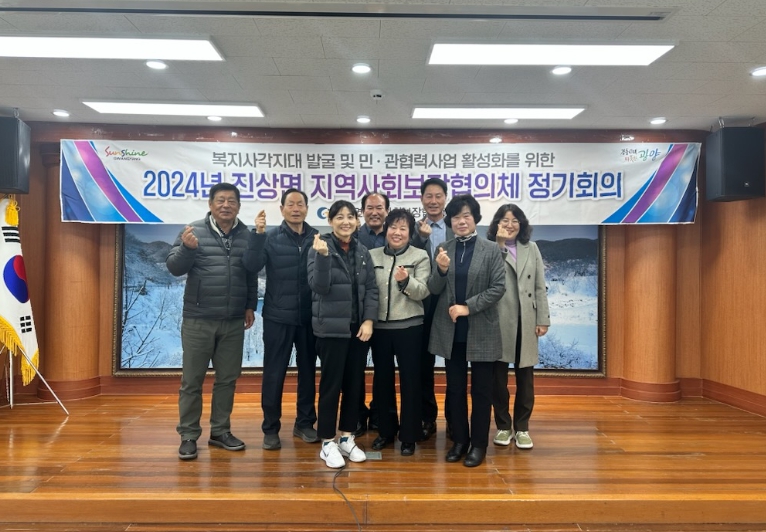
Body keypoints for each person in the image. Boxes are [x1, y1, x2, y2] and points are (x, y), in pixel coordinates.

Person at [166, 182, 258, 461]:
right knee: (192, 381)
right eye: (220, 200)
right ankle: (188, 435)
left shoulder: (246, 235)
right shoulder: (192, 231)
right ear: (210, 204)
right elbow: (174, 267)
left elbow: (251, 273)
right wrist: (187, 249)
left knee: (227, 379)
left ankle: (220, 431)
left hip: (232, 321)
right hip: (199, 319)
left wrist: (250, 306)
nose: (226, 205)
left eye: (232, 201)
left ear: (239, 206)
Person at [427, 194, 505, 468]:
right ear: (450, 221)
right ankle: (459, 440)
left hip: (481, 328)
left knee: (481, 391)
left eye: (466, 216)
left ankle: (479, 444)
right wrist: (441, 270)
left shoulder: (491, 249)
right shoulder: (443, 249)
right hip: (452, 332)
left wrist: (468, 307)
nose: (461, 221)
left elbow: (498, 288)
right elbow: (434, 288)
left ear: (475, 219)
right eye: (456, 217)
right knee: (455, 389)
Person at [243, 188, 320, 451]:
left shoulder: (317, 238)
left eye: (300, 204)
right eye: (291, 204)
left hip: (309, 317)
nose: (296, 208)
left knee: (308, 372)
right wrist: (257, 235)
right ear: (282, 209)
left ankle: (305, 423)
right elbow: (251, 265)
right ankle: (270, 428)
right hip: (278, 316)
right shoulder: (270, 237)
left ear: (307, 208)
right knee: (274, 374)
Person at [308, 199, 378, 468]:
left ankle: (347, 437)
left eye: (350, 217)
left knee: (354, 385)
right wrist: (323, 257)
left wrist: (368, 320)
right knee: (331, 386)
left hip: (357, 330)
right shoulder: (319, 246)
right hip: (330, 330)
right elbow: (319, 287)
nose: (345, 221)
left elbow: (371, 289)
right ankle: (327, 442)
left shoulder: (362, 251)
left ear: (357, 222)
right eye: (339, 217)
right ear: (330, 221)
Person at [486, 204, 550, 450]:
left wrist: (542, 318)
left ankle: (522, 428)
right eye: (504, 220)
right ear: (497, 224)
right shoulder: (490, 248)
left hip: (526, 318)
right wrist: (500, 246)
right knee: (497, 380)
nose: (509, 225)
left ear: (521, 224)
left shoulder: (532, 248)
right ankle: (503, 426)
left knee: (526, 379)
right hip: (499, 319)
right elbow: (488, 277)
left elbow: (539, 286)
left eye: (514, 220)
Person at [368, 209, 431, 456]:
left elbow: (423, 291)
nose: (397, 232)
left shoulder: (420, 256)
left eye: (403, 228)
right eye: (393, 227)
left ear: (410, 233)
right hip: (380, 329)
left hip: (410, 328)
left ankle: (409, 435)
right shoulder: (372, 255)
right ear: (386, 230)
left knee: (410, 382)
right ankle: (386, 431)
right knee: (382, 381)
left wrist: (406, 281)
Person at [411, 178, 452, 441]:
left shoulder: (456, 226)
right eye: (429, 196)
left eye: (438, 196)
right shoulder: (414, 229)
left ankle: (455, 420)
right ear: (422, 199)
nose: (433, 201)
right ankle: (427, 417)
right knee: (423, 364)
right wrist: (420, 238)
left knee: (454, 364)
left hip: (451, 302)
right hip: (423, 302)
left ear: (445, 198)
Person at [354, 191, 389, 434]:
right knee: (355, 368)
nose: (374, 212)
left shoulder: (395, 235)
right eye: (369, 208)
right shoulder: (354, 236)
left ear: (387, 211)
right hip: (358, 315)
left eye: (379, 208)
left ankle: (379, 413)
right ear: (363, 211)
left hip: (387, 315)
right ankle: (357, 414)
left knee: (383, 368)